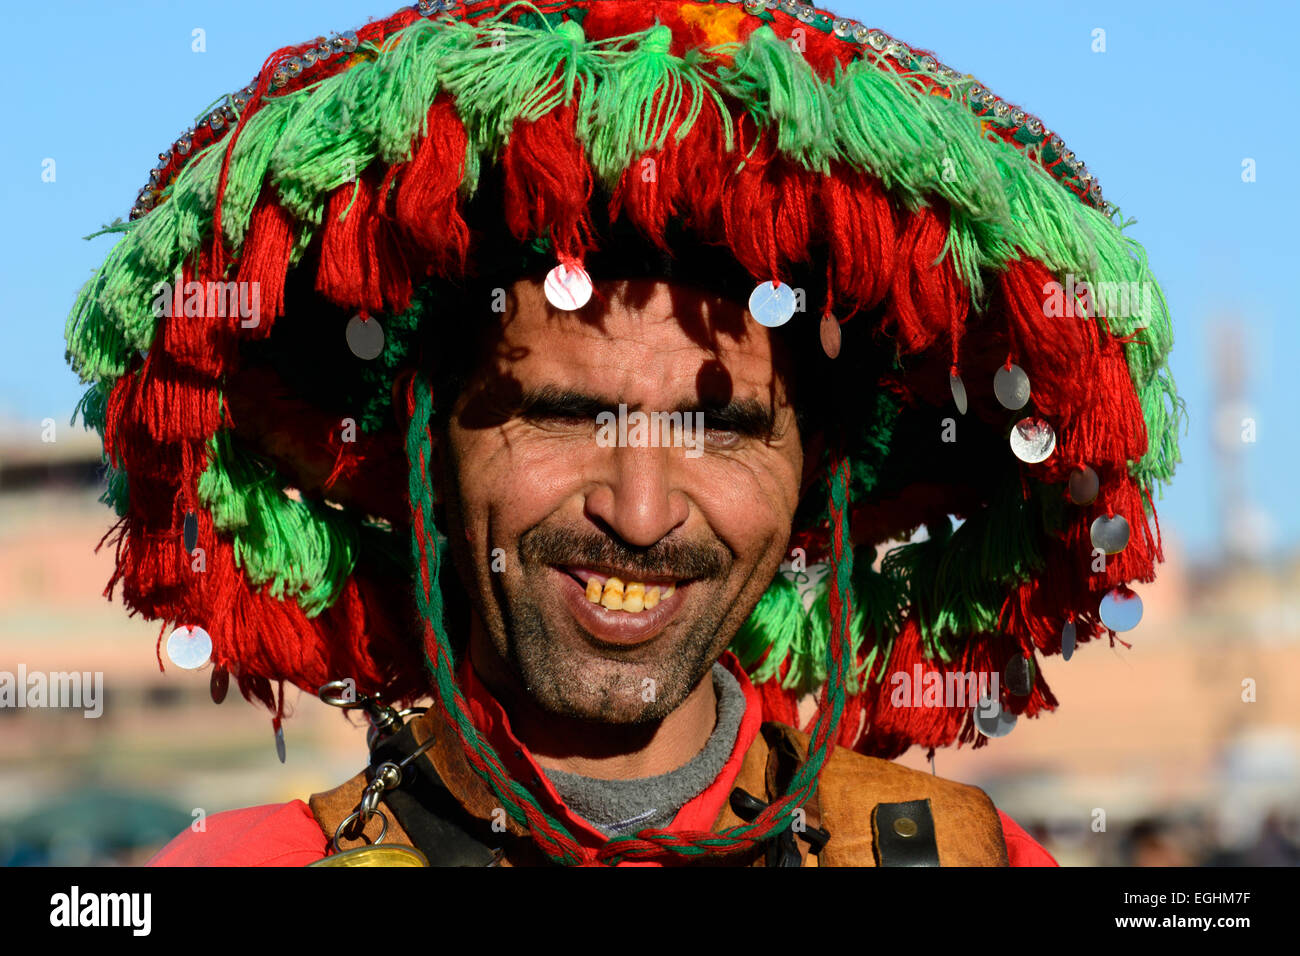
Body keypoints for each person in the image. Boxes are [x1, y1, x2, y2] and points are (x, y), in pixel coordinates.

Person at [66, 0, 1180, 867]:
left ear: (815, 483)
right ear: (425, 454)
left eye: (723, 432)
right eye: (560, 414)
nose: (638, 514)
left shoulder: (959, 858)